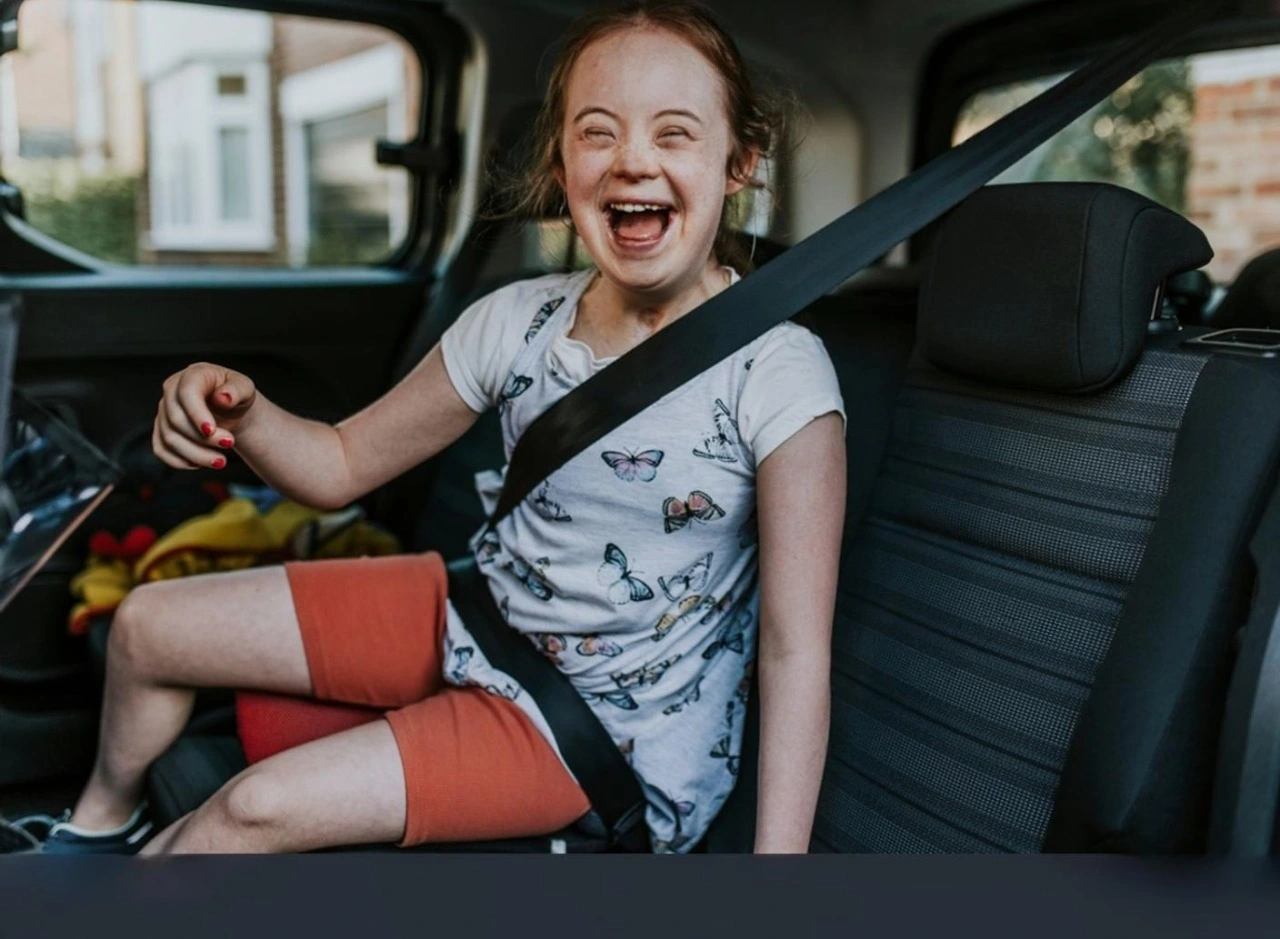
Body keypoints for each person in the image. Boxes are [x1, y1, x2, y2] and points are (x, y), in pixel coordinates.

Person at [43, 0, 846, 856]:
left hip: (604, 726)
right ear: (560, 162)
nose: (632, 161)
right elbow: (341, 461)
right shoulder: (514, 324)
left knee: (249, 809)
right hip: (481, 612)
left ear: (739, 164)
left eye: (675, 133)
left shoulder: (778, 372)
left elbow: (795, 653)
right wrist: (245, 412)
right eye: (598, 132)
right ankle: (95, 828)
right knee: (145, 624)